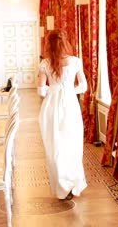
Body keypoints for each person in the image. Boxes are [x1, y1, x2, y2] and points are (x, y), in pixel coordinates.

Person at [37, 29, 88, 200]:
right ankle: (73, 184)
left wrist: (54, 90)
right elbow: (83, 86)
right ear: (65, 42)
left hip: (51, 107)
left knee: (54, 146)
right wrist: (68, 91)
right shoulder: (75, 61)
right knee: (72, 144)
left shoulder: (45, 63)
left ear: (48, 44)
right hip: (70, 106)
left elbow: (41, 91)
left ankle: (61, 186)